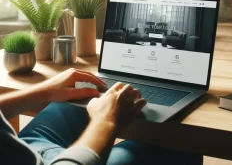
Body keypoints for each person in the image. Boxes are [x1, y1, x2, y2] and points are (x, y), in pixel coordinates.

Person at [0, 68, 203, 165]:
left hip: (17, 153)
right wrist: (105, 121)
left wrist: (45, 90)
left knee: (76, 100)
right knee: (180, 145)